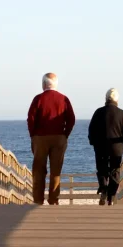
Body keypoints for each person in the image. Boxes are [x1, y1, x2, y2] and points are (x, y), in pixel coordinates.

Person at [27, 73, 76, 205]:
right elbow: (71, 119)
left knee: (38, 170)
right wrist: (65, 134)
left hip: (40, 138)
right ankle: (53, 200)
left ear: (43, 84)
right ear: (56, 84)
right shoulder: (63, 99)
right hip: (59, 137)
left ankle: (38, 200)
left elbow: (31, 118)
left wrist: (33, 135)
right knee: (56, 171)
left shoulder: (38, 99)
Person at [88, 88, 123, 205]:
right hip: (116, 148)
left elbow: (91, 130)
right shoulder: (122, 114)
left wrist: (93, 142)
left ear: (106, 99)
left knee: (102, 169)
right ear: (117, 100)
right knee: (115, 171)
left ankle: (103, 189)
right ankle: (111, 197)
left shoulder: (98, 112)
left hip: (100, 147)